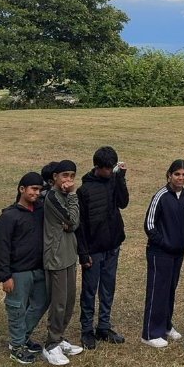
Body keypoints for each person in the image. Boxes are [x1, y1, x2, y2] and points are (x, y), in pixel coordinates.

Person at [76, 146, 128, 350]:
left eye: (112, 168)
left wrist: (121, 178)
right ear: (97, 167)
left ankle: (104, 326)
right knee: (89, 290)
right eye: (108, 169)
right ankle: (87, 330)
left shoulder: (114, 180)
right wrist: (83, 253)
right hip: (93, 249)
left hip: (113, 244)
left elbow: (123, 203)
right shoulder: (84, 191)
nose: (110, 172)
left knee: (108, 288)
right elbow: (79, 226)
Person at [0, 173, 49, 364]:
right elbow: (2, 248)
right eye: (33, 189)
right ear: (21, 189)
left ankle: (22, 337)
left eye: (39, 189)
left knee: (42, 302)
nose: (37, 193)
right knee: (16, 309)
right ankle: (16, 346)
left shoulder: (41, 210)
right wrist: (5, 276)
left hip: (39, 269)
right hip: (18, 272)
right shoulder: (9, 216)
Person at [142, 160, 184, 348]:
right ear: (169, 175)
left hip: (178, 253)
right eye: (177, 174)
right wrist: (165, 243)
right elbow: (149, 225)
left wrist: (183, 242)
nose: (180, 178)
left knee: (170, 289)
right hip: (160, 253)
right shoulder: (161, 196)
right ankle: (150, 332)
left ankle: (165, 325)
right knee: (158, 290)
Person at [40, 161, 84, 366]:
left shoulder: (65, 197)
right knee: (58, 303)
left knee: (69, 301)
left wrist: (70, 223)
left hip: (69, 255)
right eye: (65, 175)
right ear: (55, 177)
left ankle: (60, 337)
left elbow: (73, 224)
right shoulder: (51, 197)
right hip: (56, 257)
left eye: (72, 176)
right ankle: (51, 344)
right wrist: (74, 196)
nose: (69, 180)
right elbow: (72, 220)